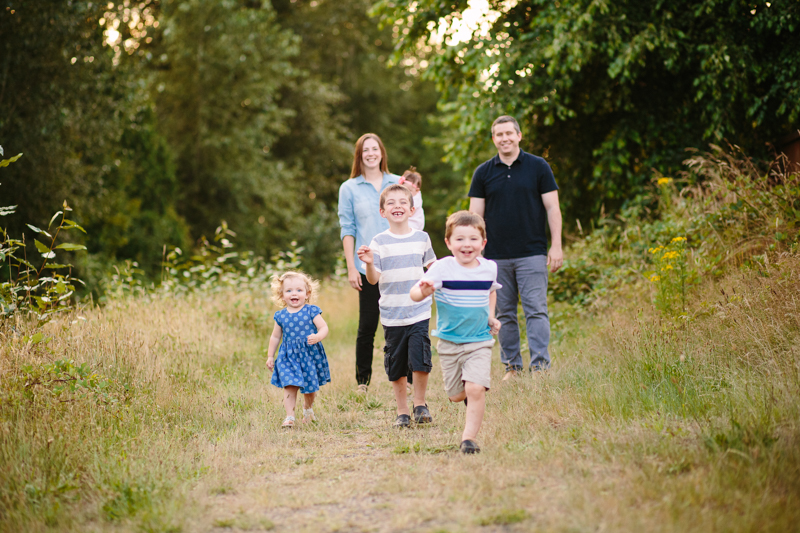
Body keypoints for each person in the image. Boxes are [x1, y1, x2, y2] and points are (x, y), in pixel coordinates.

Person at [468, 115, 563, 379]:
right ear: (493, 139)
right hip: (495, 257)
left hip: (532, 252)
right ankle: (512, 366)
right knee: (504, 313)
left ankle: (541, 366)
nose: (504, 138)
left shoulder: (538, 166)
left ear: (519, 135)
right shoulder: (483, 172)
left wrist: (556, 245)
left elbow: (553, 207)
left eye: (509, 133)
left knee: (536, 310)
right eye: (499, 134)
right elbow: (474, 217)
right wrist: (473, 255)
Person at [410, 211, 501, 453]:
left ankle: (468, 439)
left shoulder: (489, 268)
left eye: (473, 239)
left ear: (483, 243)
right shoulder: (441, 268)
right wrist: (425, 292)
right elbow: (414, 294)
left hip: (479, 340)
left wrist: (491, 316)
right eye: (459, 239)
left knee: (475, 388)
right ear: (449, 243)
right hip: (449, 342)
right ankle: (466, 393)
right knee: (456, 395)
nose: (467, 244)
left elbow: (490, 291)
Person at [357, 184, 437, 427]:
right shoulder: (378, 241)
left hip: (419, 311)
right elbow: (373, 279)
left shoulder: (422, 238)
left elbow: (432, 268)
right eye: (390, 203)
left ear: (412, 210)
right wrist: (370, 263)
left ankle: (420, 404)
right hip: (392, 314)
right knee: (397, 364)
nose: (397, 206)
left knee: (421, 359)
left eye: (403, 202)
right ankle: (402, 410)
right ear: (382, 212)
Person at [338, 134, 400, 393]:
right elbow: (348, 228)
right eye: (366, 150)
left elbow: (414, 217)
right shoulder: (349, 188)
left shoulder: (397, 183)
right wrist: (352, 267)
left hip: (397, 264)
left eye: (375, 148)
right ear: (359, 155)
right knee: (367, 326)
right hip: (367, 266)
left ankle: (402, 376)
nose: (371, 153)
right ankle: (362, 382)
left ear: (382, 152)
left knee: (400, 324)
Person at [266, 271, 330, 428]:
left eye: (299, 290)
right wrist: (270, 356)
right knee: (289, 384)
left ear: (307, 294)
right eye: (289, 291)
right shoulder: (280, 316)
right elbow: (275, 337)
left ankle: (308, 410)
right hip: (288, 356)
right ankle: (290, 417)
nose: (294, 293)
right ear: (281, 295)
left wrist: (318, 336)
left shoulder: (311, 311)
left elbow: (324, 327)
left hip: (309, 354)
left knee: (309, 386)